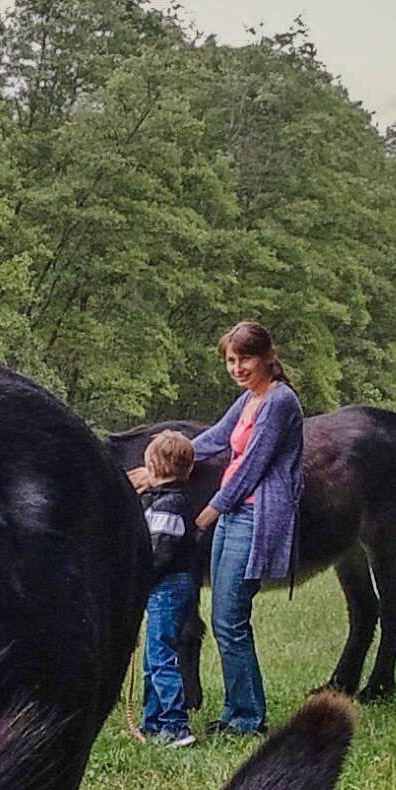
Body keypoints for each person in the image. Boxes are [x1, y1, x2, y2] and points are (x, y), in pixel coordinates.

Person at [168, 320, 305, 739]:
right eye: (231, 359)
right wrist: (163, 465)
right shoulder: (249, 399)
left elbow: (252, 465)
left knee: (231, 619)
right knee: (226, 617)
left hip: (254, 515)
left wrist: (212, 509)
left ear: (267, 357)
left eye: (245, 358)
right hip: (236, 514)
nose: (238, 367)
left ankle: (247, 719)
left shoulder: (279, 402)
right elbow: (214, 439)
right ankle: (236, 712)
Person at [132, 430, 212, 747]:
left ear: (151, 466)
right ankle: (152, 721)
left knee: (162, 656)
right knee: (155, 654)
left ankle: (176, 726)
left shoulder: (169, 505)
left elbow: (161, 553)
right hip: (170, 587)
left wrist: (140, 579)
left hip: (167, 588)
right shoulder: (169, 500)